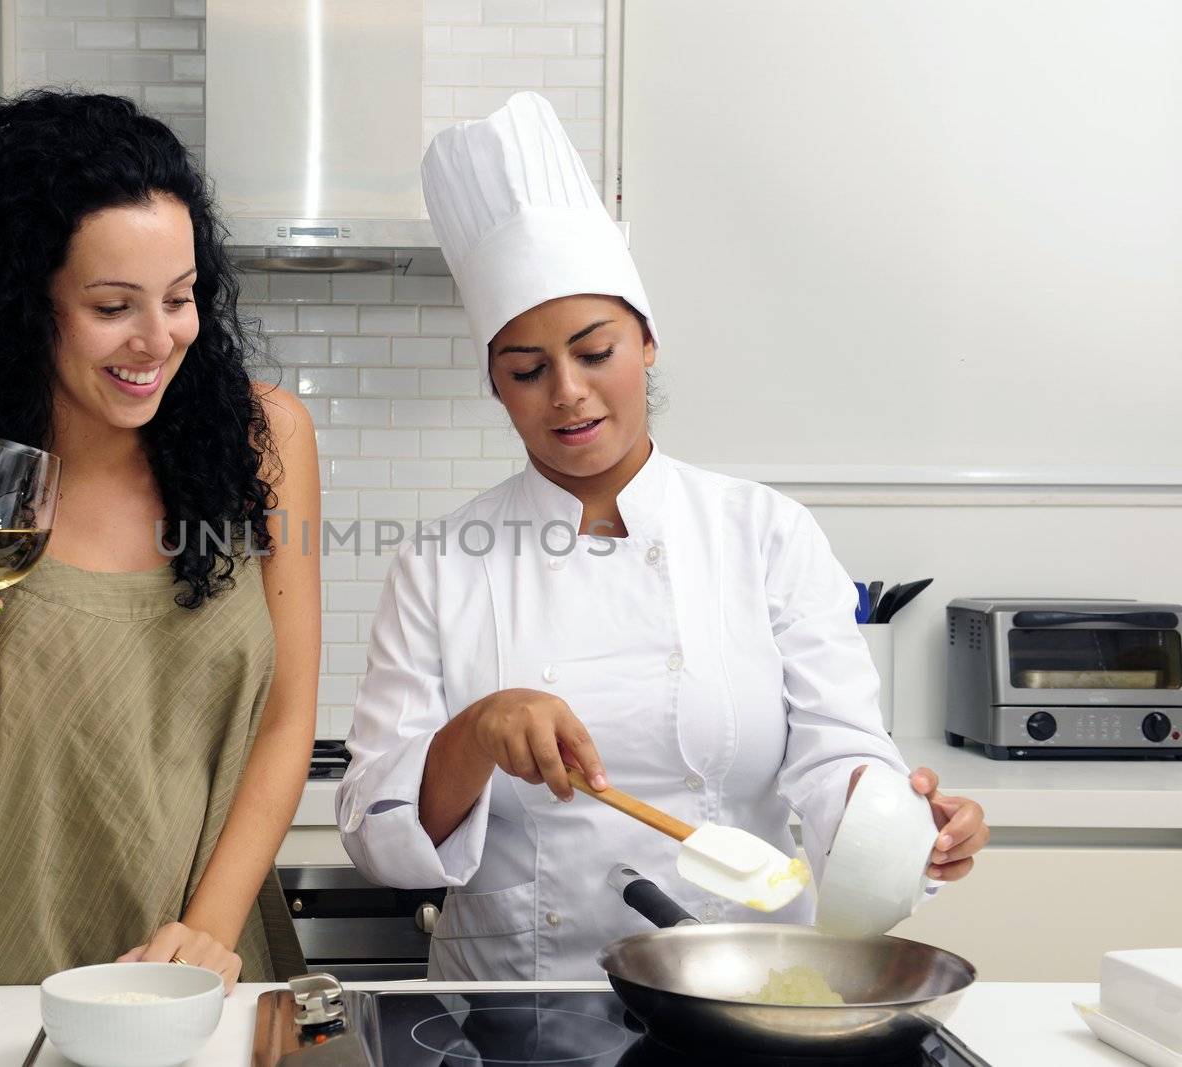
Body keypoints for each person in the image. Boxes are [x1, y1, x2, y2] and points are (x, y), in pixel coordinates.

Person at [337, 92, 987, 980]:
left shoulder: (764, 533)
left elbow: (839, 751)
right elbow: (377, 834)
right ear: (496, 387)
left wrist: (900, 828)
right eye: (527, 370)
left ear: (646, 343)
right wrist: (479, 732)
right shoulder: (442, 563)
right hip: (518, 1004)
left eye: (594, 351)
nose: (566, 392)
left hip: (743, 982)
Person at [0, 90, 319, 989]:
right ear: (21, 305)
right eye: (111, 306)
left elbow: (286, 720)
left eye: (179, 298)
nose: (157, 338)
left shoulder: (264, 442)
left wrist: (203, 938)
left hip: (193, 972)